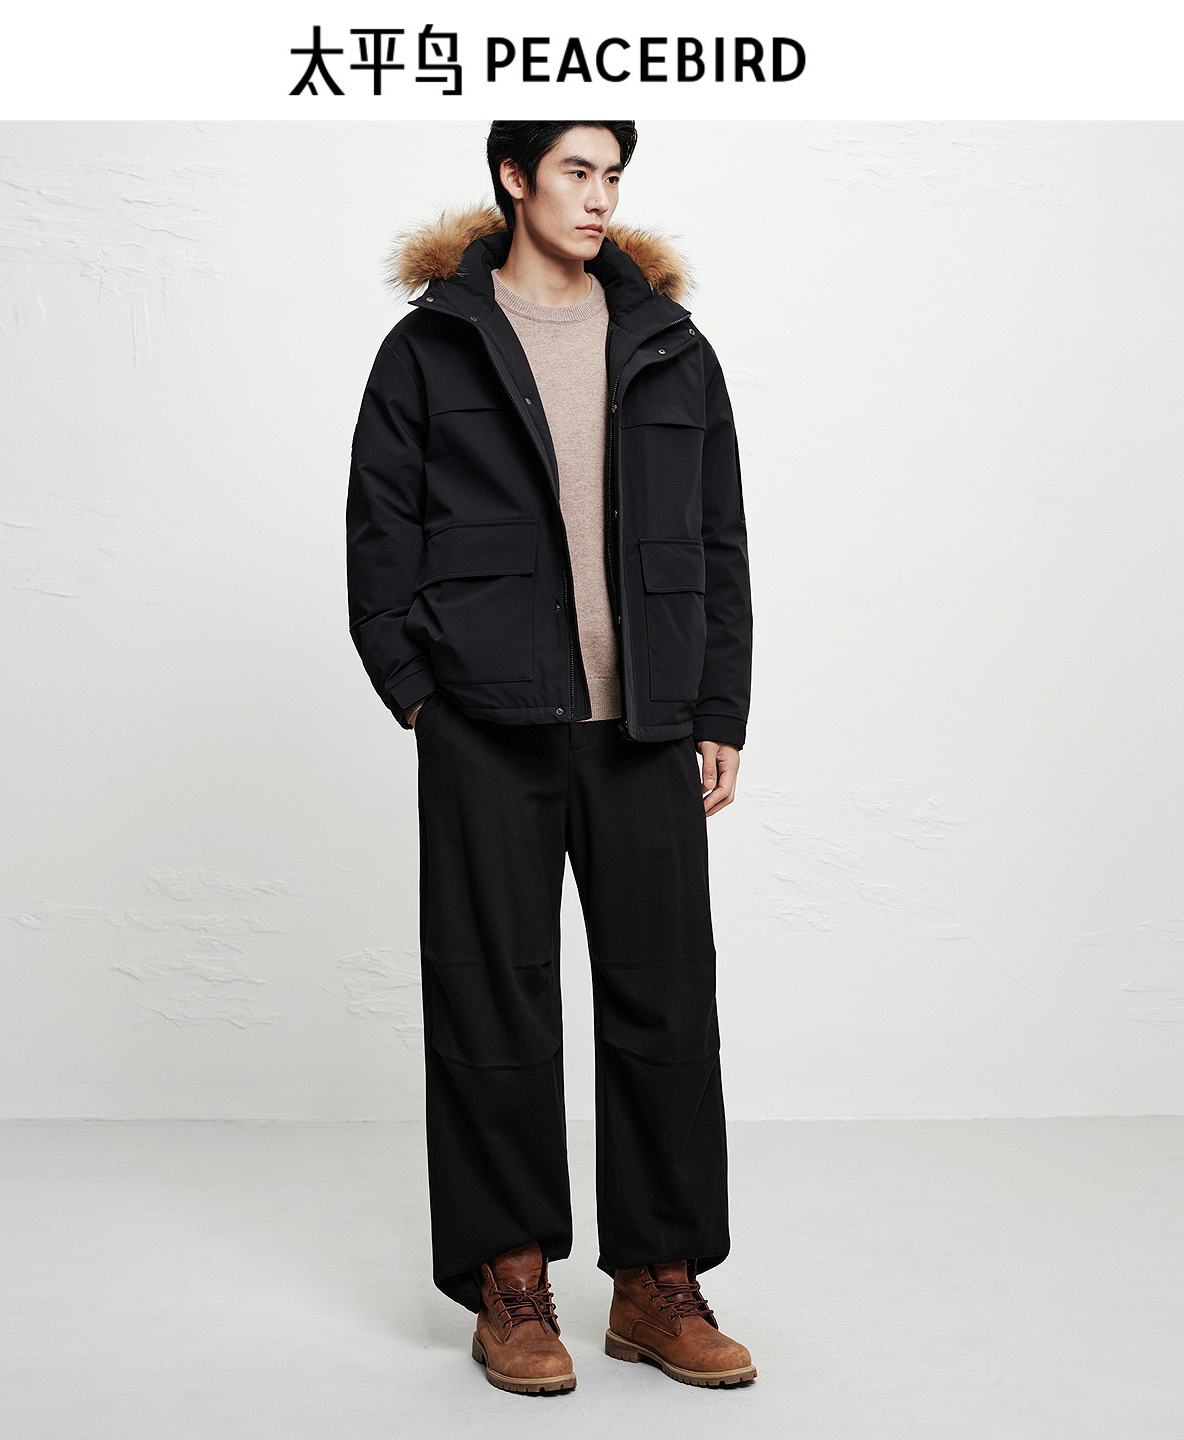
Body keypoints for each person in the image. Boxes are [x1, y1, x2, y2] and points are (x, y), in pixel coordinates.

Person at [345, 120, 754, 1394]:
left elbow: (720, 540)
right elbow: (378, 533)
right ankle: (509, 1281)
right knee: (492, 1004)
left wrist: (719, 707)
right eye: (577, 171)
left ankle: (656, 1284)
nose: (600, 197)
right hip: (487, 725)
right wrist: (421, 700)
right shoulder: (432, 347)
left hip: (644, 726)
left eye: (613, 175)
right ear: (514, 179)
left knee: (666, 1008)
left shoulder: (671, 344)